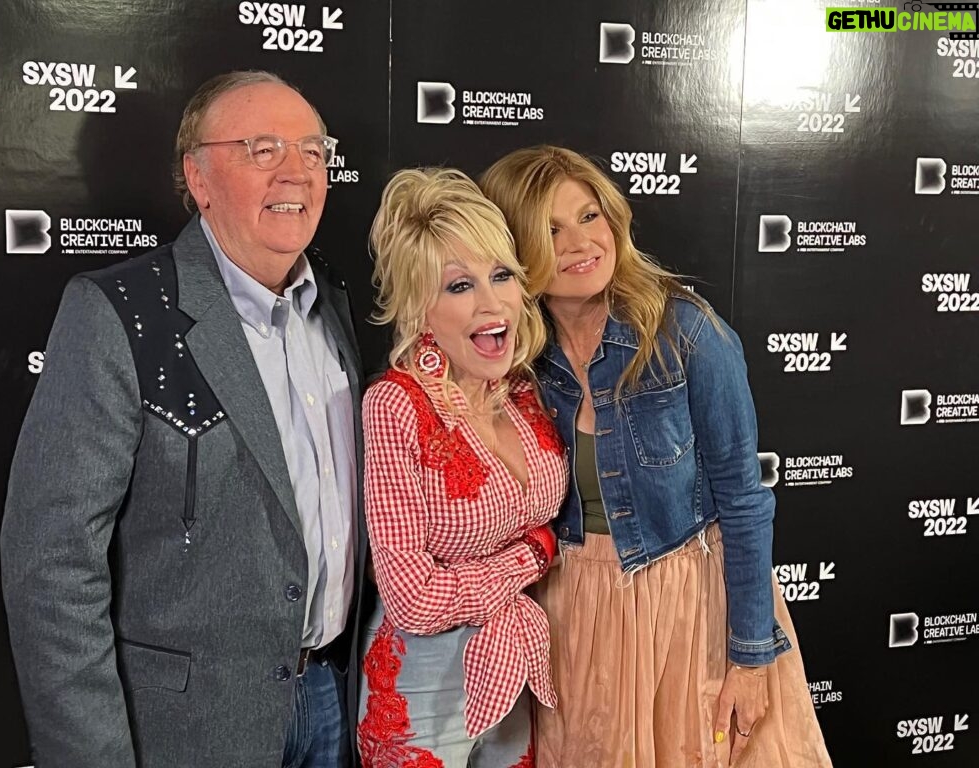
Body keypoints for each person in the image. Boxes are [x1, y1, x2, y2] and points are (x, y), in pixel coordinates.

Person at [0, 70, 366, 768]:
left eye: (313, 152)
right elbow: (52, 566)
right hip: (187, 728)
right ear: (198, 177)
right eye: (263, 150)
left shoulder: (338, 312)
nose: (297, 172)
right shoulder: (118, 313)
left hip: (330, 704)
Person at [480, 146, 832, 768]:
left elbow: (744, 506)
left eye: (590, 216)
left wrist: (750, 658)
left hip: (683, 613)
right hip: (567, 617)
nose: (580, 243)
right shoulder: (514, 362)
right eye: (550, 229)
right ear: (515, 249)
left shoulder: (689, 334)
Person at [356, 167, 567, 767]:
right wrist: (530, 555)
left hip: (518, 667)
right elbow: (412, 600)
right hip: (422, 682)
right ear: (421, 307)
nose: (491, 303)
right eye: (459, 286)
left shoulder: (524, 392)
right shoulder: (396, 405)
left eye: (501, 276)